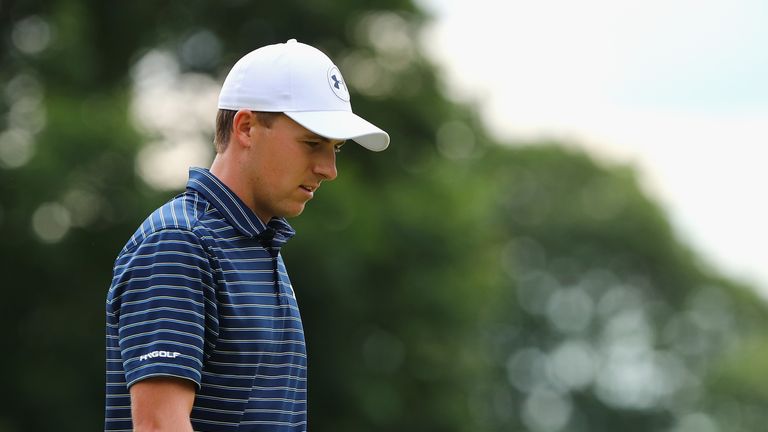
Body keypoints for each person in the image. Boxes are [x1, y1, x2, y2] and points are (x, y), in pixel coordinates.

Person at [105, 38, 389, 432]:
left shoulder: (258, 244)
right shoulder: (178, 244)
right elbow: (158, 425)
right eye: (312, 143)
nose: (328, 168)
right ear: (247, 127)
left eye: (335, 149)